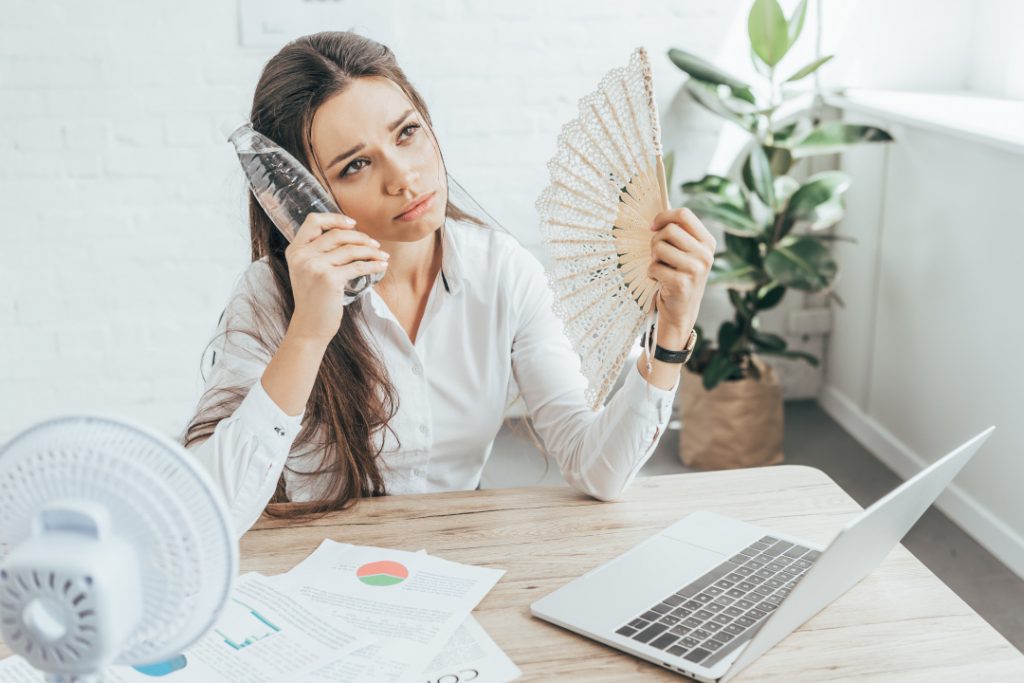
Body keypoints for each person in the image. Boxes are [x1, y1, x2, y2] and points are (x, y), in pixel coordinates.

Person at [182, 31, 716, 537]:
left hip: (454, 569)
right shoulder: (269, 296)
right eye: (356, 166)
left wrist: (670, 333)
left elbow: (597, 468)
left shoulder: (501, 272)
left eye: (407, 133)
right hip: (313, 578)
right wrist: (307, 334)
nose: (404, 177)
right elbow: (205, 513)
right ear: (303, 197)